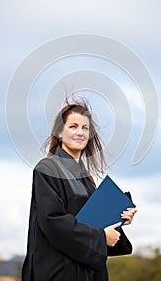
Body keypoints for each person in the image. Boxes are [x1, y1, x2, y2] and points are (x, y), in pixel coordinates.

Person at [22, 98, 137, 281]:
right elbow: (53, 221)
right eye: (73, 126)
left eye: (85, 128)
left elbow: (92, 222)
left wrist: (118, 220)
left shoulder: (86, 179)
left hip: (88, 273)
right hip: (59, 272)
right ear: (60, 132)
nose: (80, 132)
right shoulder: (47, 169)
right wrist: (100, 237)